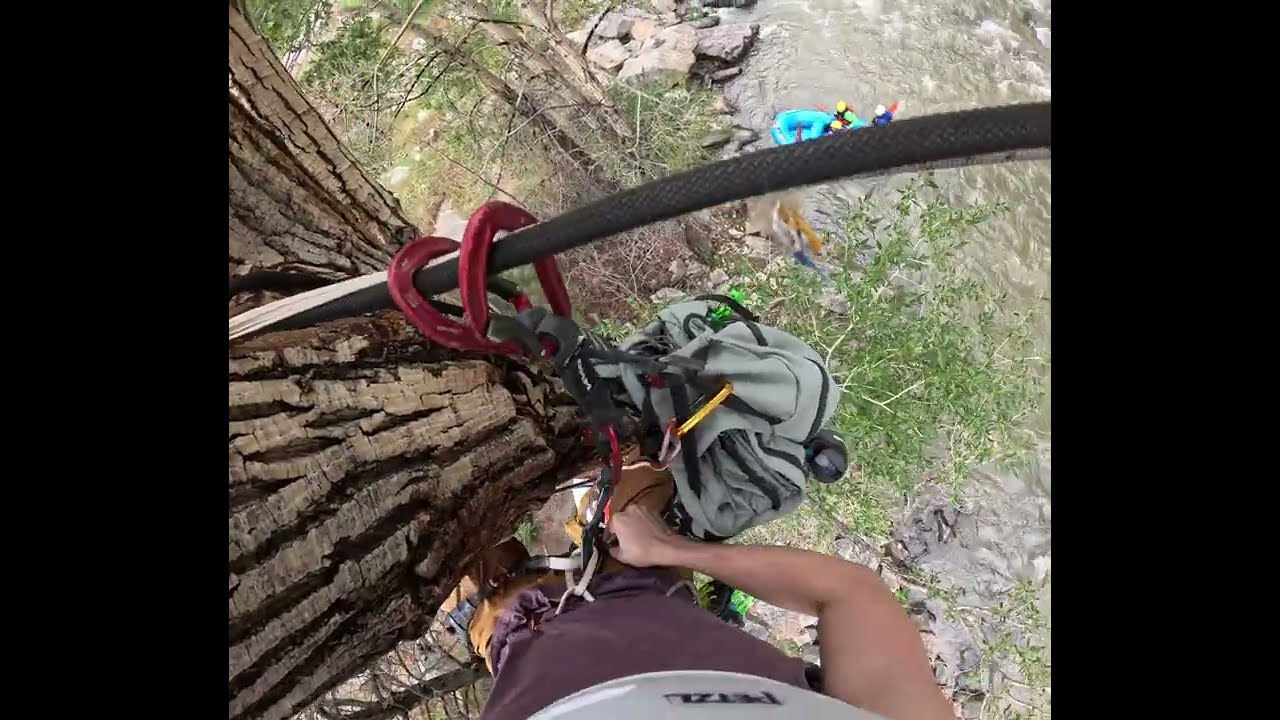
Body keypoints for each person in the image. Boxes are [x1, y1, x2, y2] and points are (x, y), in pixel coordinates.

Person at [443, 465, 955, 720]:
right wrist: (672, 550)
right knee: (640, 474)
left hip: (511, 626)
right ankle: (598, 521)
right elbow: (851, 593)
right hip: (644, 583)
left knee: (440, 513)